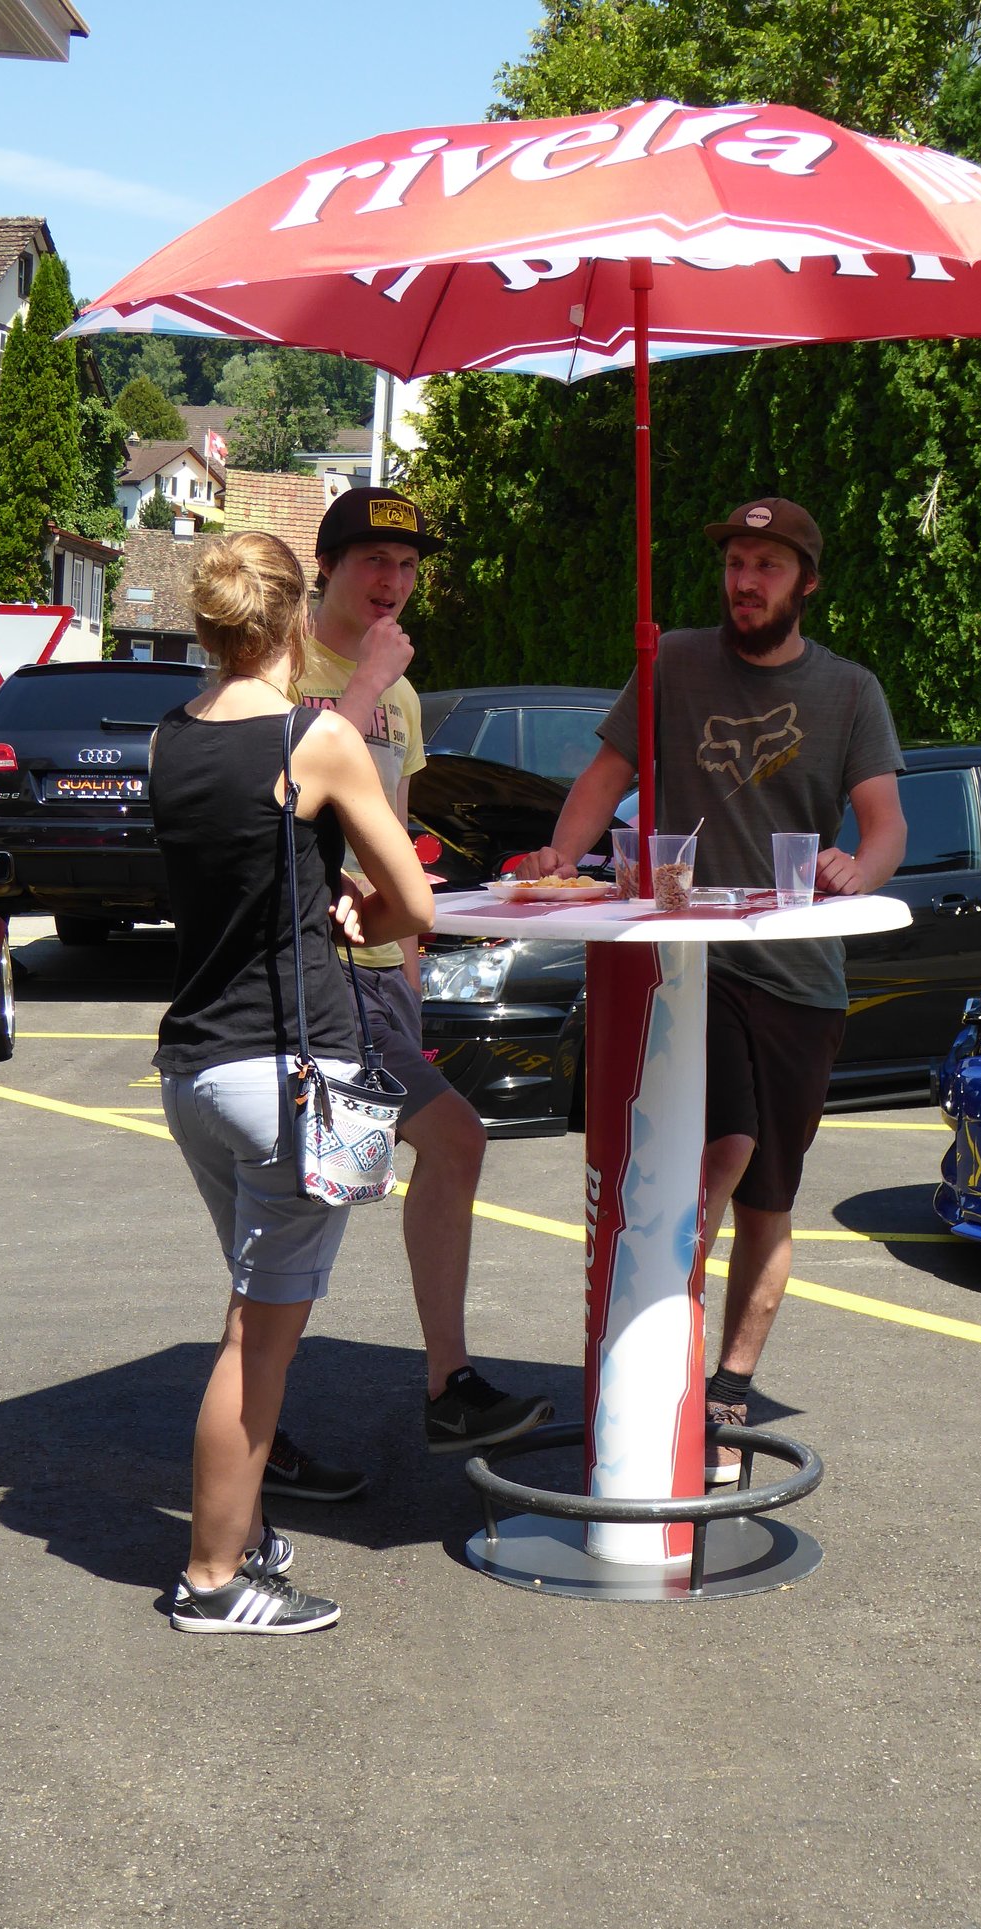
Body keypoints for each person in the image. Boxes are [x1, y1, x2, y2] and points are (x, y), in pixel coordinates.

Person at [519, 497, 907, 1482]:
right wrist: (561, 855)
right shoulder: (674, 662)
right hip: (690, 963)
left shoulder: (850, 690)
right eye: (736, 561)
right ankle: (659, 1357)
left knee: (770, 1201)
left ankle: (726, 1390)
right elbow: (606, 774)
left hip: (800, 977)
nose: (745, 580)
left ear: (806, 583)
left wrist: (860, 867)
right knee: (722, 1149)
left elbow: (886, 824)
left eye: (767, 565)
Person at [151, 530, 435, 1635]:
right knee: (257, 1339)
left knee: (255, 1317)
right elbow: (414, 902)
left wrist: (324, 892)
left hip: (198, 1069)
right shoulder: (317, 739)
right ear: (293, 620)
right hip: (298, 1073)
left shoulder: (170, 737)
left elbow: (245, 869)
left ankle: (244, 1530)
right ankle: (214, 1578)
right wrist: (365, 907)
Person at [265, 486, 552, 1503]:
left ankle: (432, 1385)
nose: (393, 581)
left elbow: (393, 825)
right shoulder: (285, 667)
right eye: (374, 561)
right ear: (327, 566)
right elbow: (282, 805)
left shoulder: (405, 695)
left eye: (409, 565)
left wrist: (414, 964)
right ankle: (283, 1423)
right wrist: (367, 679)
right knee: (333, 1190)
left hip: (383, 973)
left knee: (364, 1179)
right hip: (319, 972)